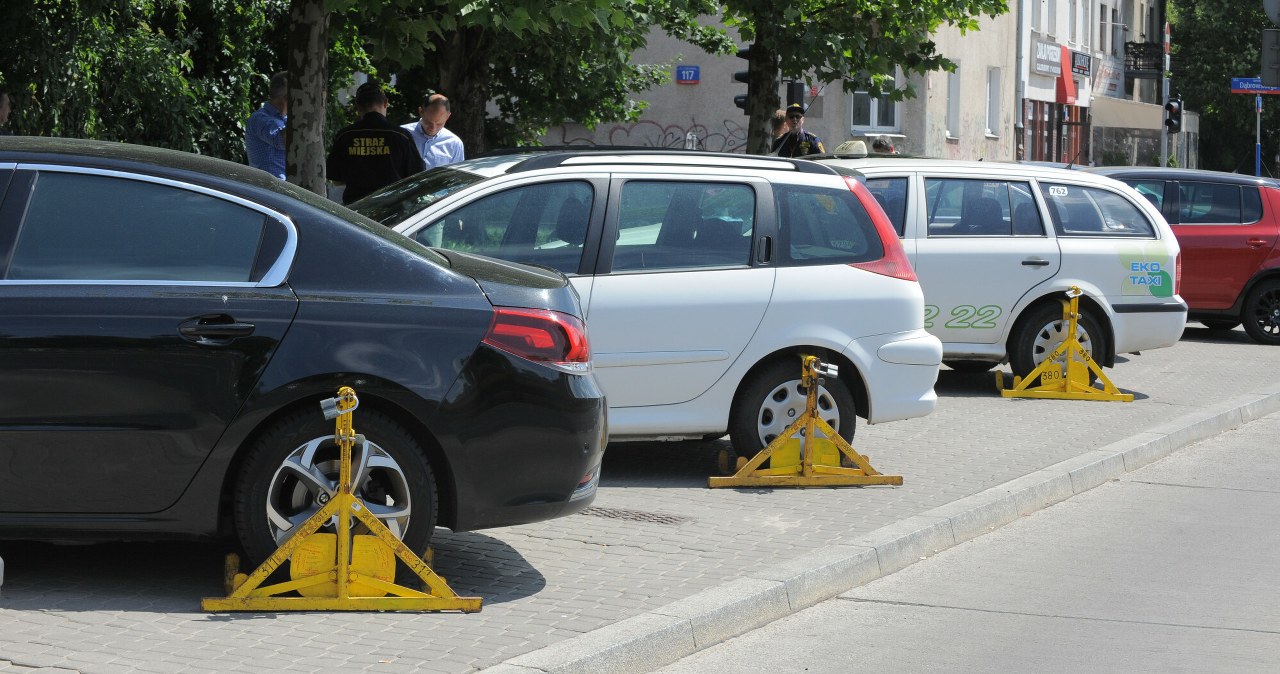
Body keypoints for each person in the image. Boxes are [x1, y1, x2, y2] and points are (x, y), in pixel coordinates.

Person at [326, 81, 425, 204]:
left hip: (356, 208)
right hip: (393, 209)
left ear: (358, 105)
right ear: (385, 103)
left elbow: (335, 179)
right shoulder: (401, 136)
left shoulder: (344, 136)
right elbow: (417, 175)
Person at [402, 92, 465, 168]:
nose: (433, 128)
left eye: (439, 124)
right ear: (421, 111)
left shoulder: (455, 143)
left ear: (448, 116)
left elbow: (455, 176)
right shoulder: (402, 134)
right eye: (428, 122)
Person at [245, 72, 288, 178]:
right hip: (270, 190)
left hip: (285, 190)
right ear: (287, 97)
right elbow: (283, 141)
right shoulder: (259, 119)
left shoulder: (285, 120)